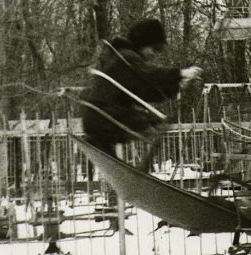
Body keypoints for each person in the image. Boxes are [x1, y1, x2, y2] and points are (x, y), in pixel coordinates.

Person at [79, 18, 202, 226]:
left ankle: (121, 172)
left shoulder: (119, 58)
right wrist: (179, 74)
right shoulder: (126, 58)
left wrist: (177, 85)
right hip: (105, 115)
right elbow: (148, 77)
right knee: (152, 124)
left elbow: (144, 89)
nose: (154, 54)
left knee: (145, 127)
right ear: (143, 42)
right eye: (154, 48)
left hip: (96, 119)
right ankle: (136, 173)